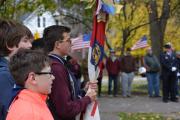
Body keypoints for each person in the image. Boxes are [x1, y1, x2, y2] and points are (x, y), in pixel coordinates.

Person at [43, 25, 97, 120]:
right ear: (58, 44)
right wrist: (88, 99)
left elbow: (68, 96)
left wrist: (84, 91)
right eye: (68, 40)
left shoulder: (58, 64)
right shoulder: (56, 68)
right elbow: (66, 110)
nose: (71, 44)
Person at [6, 49, 54, 120]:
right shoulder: (30, 114)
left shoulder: (30, 102)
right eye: (49, 73)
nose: (53, 77)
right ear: (33, 78)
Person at [0, 19, 33, 120]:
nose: (30, 45)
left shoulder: (10, 71)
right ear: (10, 45)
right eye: (25, 40)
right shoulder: (4, 75)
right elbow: (10, 113)